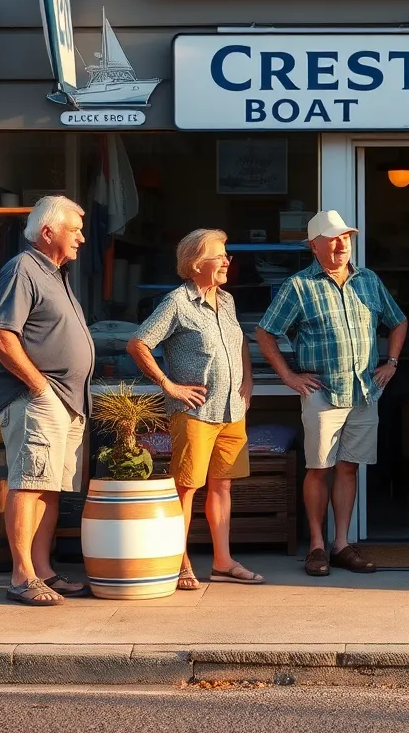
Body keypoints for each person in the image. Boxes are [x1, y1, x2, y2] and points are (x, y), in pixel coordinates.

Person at [255, 210, 407, 577]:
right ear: (313, 245)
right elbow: (265, 333)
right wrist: (289, 377)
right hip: (322, 390)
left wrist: (392, 362)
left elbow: (398, 320)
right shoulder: (299, 286)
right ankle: (317, 546)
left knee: (348, 468)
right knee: (319, 468)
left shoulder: (368, 280)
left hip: (364, 390)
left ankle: (341, 544)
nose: (341, 245)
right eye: (333, 238)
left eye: (346, 238)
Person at [127, 228, 262, 589]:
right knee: (185, 489)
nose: (227, 261)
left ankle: (223, 562)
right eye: (220, 255)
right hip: (196, 413)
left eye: (226, 255)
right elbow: (139, 344)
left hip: (232, 411)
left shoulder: (227, 301)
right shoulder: (176, 303)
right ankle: (180, 562)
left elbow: (241, 345)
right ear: (196, 262)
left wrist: (248, 381)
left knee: (222, 488)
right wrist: (169, 386)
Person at [0, 195, 95, 606]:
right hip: (39, 399)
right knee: (29, 483)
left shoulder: (57, 274)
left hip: (66, 401)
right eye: (75, 230)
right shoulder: (23, 269)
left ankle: (43, 571)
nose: (82, 238)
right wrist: (39, 386)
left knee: (49, 488)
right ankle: (21, 576)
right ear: (47, 232)